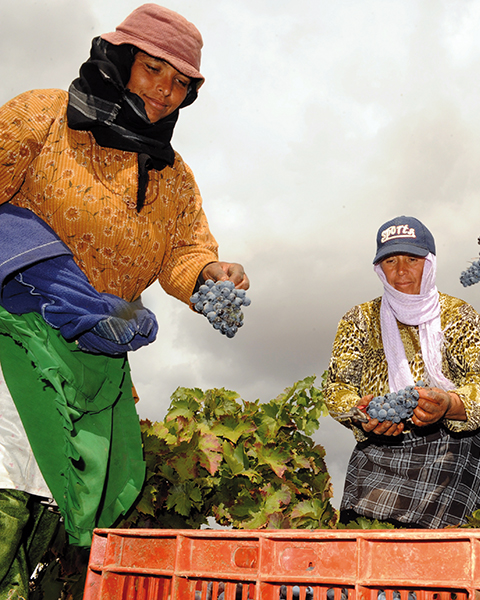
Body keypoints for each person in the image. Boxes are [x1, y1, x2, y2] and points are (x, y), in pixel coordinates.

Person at [0, 3, 248, 595]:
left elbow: (182, 256)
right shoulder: (42, 117)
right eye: (153, 70)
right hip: (15, 335)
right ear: (119, 61)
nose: (165, 91)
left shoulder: (173, 177)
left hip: (96, 353)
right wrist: (43, 267)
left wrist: (210, 272)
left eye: (181, 82)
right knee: (9, 475)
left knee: (50, 504)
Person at [324, 216, 480, 528]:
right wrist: (361, 412)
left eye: (412, 259)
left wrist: (448, 404)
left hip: (453, 455)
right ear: (379, 268)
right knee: (369, 551)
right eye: (390, 261)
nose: (401, 271)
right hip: (379, 456)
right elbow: (337, 387)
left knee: (450, 556)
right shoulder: (359, 320)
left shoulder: (459, 316)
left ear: (429, 263)